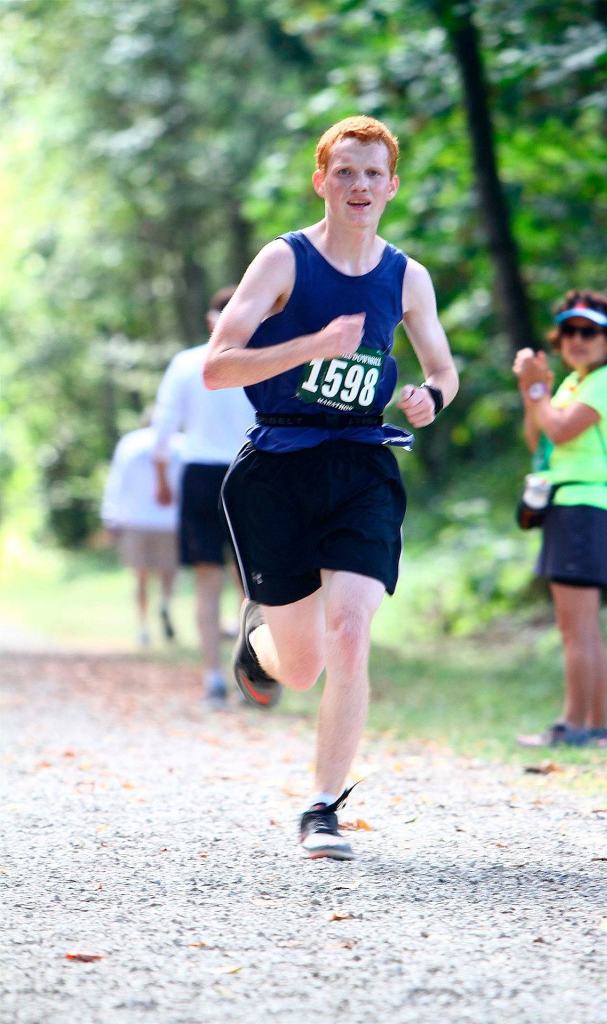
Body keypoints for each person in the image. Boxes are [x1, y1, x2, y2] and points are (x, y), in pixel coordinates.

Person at [203, 115, 459, 859]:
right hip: (277, 465)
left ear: (392, 186)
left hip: (361, 464)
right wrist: (313, 344)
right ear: (321, 180)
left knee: (350, 631)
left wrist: (428, 399)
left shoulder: (406, 276)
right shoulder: (282, 262)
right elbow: (218, 367)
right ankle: (257, 646)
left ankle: (322, 806)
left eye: (372, 173)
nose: (359, 185)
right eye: (344, 171)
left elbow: (441, 370)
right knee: (303, 663)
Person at [512, 290, 607, 748]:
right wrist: (534, 392)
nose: (577, 340)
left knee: (576, 626)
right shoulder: (573, 384)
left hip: (585, 507)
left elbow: (561, 429)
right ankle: (594, 726)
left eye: (589, 332)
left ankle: (575, 727)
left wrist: (539, 390)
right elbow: (538, 439)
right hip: (572, 506)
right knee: (581, 625)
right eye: (569, 331)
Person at [152, 286, 255, 704]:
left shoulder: (186, 364)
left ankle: (217, 674)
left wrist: (162, 478)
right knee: (246, 583)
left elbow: (163, 427)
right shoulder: (263, 361)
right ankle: (239, 672)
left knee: (214, 581)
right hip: (247, 473)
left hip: (208, 475)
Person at [101, 418, 184, 648]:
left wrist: (110, 515)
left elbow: (117, 482)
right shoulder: (180, 444)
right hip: (170, 520)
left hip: (135, 519)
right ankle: (165, 604)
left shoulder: (130, 443)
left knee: (140, 577)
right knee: (168, 572)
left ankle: (142, 627)